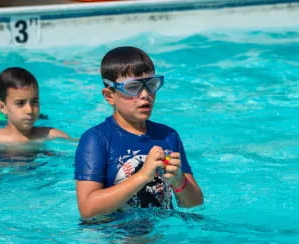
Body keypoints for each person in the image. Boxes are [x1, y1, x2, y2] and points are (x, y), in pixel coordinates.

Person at [74, 46, 203, 219]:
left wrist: (179, 180)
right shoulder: (96, 139)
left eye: (151, 85)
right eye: (133, 87)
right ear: (109, 95)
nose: (145, 94)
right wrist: (143, 175)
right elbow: (87, 209)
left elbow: (194, 202)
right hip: (115, 238)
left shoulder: (168, 136)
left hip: (162, 234)